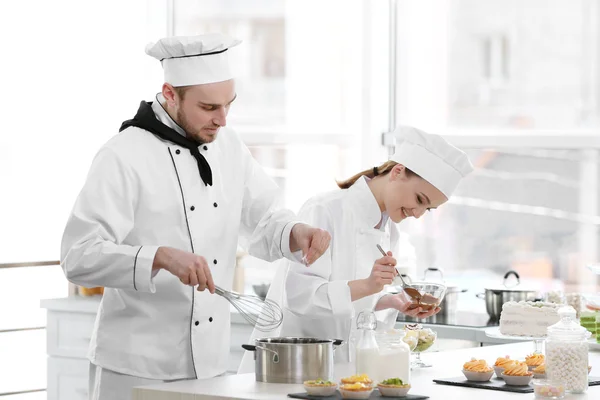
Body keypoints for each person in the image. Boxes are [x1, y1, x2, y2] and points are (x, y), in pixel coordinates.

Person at [60, 33, 330, 400]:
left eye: (228, 105)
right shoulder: (123, 155)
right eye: (208, 107)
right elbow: (78, 255)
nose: (222, 119)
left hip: (209, 366)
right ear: (170, 93)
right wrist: (158, 256)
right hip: (135, 368)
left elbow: (265, 219)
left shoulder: (229, 147)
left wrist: (296, 232)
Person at [239, 126, 473, 372]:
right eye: (419, 200)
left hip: (348, 368)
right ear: (397, 171)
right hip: (299, 364)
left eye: (428, 209)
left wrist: (391, 301)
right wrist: (368, 285)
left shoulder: (389, 228)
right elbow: (300, 298)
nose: (418, 214)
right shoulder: (325, 209)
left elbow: (354, 304)